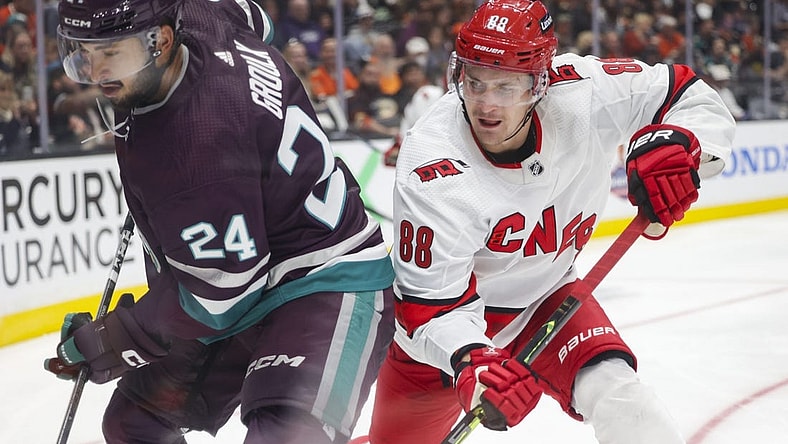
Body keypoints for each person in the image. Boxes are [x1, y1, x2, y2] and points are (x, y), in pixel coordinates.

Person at [368, 1, 735, 443]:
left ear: (540, 82)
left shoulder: (586, 91)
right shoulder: (433, 166)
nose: (486, 103)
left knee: (620, 394)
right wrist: (473, 362)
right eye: (475, 82)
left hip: (545, 298)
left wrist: (683, 145)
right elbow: (429, 308)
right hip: (443, 343)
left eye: (506, 86)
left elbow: (685, 93)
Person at [44, 1, 395, 443]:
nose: (96, 72)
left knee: (284, 437)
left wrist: (114, 339)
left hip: (324, 279)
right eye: (84, 52)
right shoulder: (202, 12)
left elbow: (220, 295)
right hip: (242, 263)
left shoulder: (199, 149)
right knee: (136, 424)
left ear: (161, 40)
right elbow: (257, 21)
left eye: (112, 52)